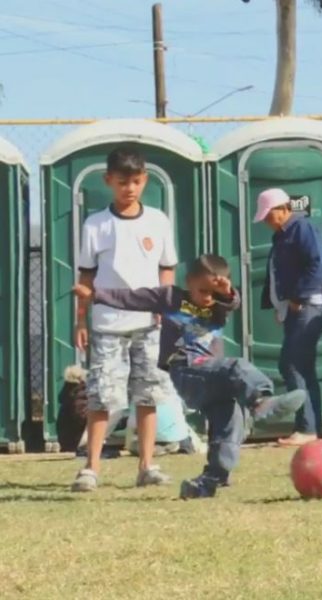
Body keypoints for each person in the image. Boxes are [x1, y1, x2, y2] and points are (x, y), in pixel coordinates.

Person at [73, 254, 306, 499]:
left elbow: (232, 303)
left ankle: (210, 479)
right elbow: (132, 298)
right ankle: (260, 401)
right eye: (201, 290)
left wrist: (226, 293)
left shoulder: (217, 306)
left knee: (229, 421)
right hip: (186, 371)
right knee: (237, 366)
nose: (206, 298)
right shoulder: (171, 298)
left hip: (212, 377)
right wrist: (95, 295)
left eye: (212, 293)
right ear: (188, 281)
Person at [72, 146, 178, 492]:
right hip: (107, 326)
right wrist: (81, 320)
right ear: (108, 181)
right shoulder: (95, 225)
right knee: (102, 397)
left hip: (149, 325)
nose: (129, 188)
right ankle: (91, 468)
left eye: (135, 181)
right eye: (122, 182)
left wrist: (166, 307)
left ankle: (146, 465)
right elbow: (85, 278)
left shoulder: (158, 221)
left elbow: (167, 268)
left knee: (147, 396)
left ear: (144, 180)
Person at [256, 188, 322, 448]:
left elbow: (317, 263)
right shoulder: (283, 234)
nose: (266, 221)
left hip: (309, 307)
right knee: (302, 366)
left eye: (269, 215)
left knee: (292, 364)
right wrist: (281, 306)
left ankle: (307, 427)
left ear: (283, 209)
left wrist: (298, 299)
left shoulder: (301, 229)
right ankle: (310, 426)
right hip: (297, 309)